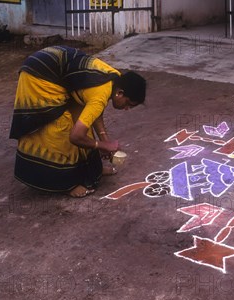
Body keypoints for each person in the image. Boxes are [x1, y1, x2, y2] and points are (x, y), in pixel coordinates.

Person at [9, 46, 146, 198]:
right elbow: (75, 136)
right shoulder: (101, 94)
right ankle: (66, 184)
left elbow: (94, 112)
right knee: (61, 127)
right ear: (120, 93)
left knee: (82, 123)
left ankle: (94, 170)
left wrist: (105, 140)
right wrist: (102, 145)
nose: (126, 109)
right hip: (39, 75)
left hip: (59, 72)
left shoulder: (116, 78)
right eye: (128, 104)